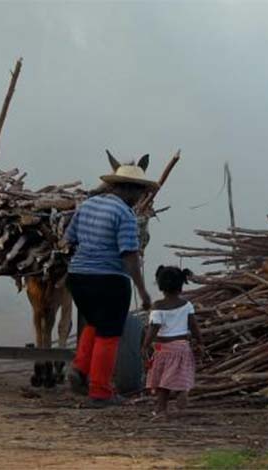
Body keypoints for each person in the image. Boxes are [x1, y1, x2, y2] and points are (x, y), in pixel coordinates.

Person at [64, 151, 156, 407]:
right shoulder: (125, 214)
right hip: (109, 280)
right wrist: (143, 290)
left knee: (94, 322)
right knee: (110, 334)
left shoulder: (88, 205)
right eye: (140, 192)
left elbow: (69, 239)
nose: (140, 197)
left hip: (78, 278)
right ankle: (100, 391)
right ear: (130, 189)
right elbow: (129, 255)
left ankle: (80, 368)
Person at [142, 265, 204, 418]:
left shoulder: (158, 307)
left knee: (163, 383)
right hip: (182, 347)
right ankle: (182, 392)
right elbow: (194, 327)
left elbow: (153, 328)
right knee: (181, 375)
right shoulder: (186, 305)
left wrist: (145, 346)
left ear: (160, 285)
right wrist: (200, 343)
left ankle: (161, 409)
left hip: (163, 349)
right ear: (181, 285)